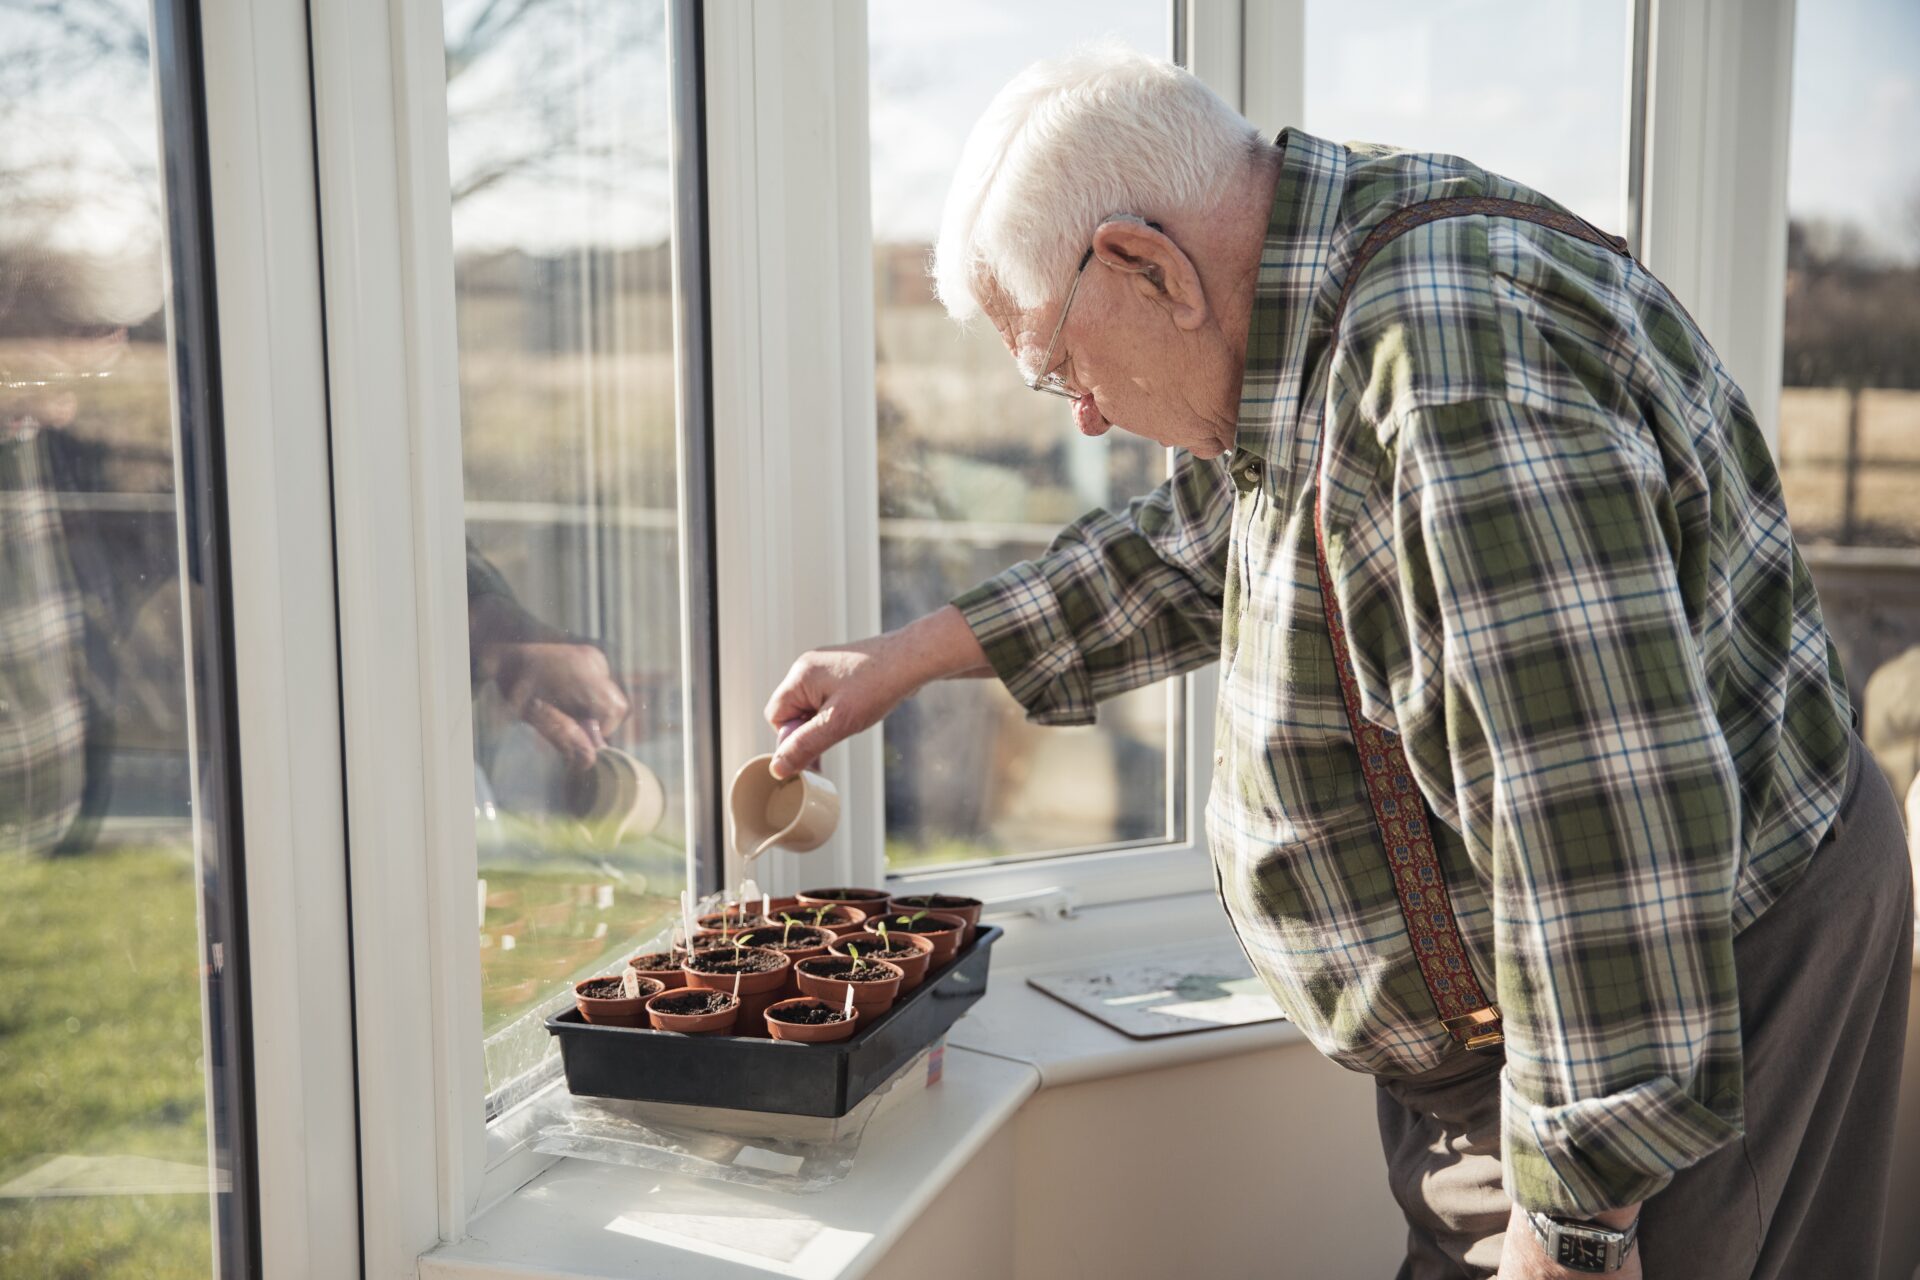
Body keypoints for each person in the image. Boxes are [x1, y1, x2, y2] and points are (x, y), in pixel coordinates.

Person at [764, 46, 1912, 1280]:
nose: (1082, 414)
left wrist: (1578, 1222)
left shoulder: (1453, 385)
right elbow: (1202, 540)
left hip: (1674, 1024)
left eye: (1059, 364)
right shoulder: (1303, 282)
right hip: (1534, 1045)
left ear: (1144, 264)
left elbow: (1596, 825)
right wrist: (915, 653)